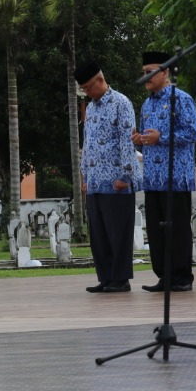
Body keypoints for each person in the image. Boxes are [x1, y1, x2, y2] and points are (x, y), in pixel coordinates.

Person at [133, 51, 196, 293]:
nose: (145, 76)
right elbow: (146, 140)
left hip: (175, 178)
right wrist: (138, 140)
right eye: (143, 72)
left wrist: (162, 138)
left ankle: (182, 277)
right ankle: (164, 276)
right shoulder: (147, 104)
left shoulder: (180, 99)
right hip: (152, 179)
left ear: (165, 72)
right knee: (157, 230)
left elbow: (194, 133)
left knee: (177, 229)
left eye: (150, 71)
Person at [77, 60, 137, 293]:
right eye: (84, 89)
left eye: (89, 87)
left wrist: (126, 175)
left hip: (116, 180)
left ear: (101, 80)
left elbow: (127, 141)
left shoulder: (121, 103)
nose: (87, 92)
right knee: (99, 234)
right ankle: (105, 277)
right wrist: (84, 175)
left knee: (118, 232)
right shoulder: (90, 107)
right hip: (94, 181)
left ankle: (120, 279)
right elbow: (87, 143)